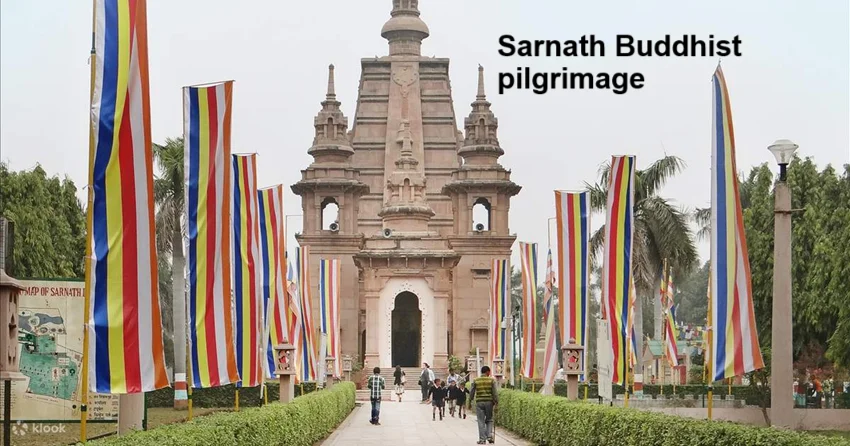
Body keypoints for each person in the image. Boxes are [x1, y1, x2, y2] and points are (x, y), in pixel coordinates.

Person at [470, 365, 498, 444]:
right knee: (489, 419)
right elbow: (495, 393)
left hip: (479, 402)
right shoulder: (492, 380)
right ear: (487, 372)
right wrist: (496, 402)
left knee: (481, 421)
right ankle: (489, 436)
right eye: (489, 372)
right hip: (489, 402)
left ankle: (482, 439)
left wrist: (470, 400)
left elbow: (472, 392)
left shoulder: (476, 380)